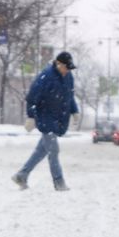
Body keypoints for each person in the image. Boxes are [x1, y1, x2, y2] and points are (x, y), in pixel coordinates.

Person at [12, 51, 79, 191]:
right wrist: (30, 116)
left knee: (41, 151)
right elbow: (32, 97)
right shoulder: (46, 76)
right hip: (45, 117)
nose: (67, 71)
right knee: (53, 150)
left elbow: (69, 96)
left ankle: (22, 175)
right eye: (66, 67)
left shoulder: (68, 77)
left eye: (69, 68)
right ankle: (59, 182)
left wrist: (75, 111)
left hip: (58, 118)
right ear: (58, 64)